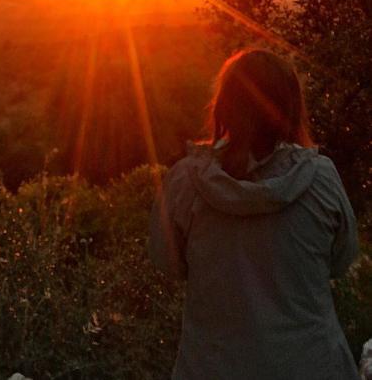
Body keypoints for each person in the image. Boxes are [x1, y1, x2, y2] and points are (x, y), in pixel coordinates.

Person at [149, 48, 359, 380]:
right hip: (313, 364)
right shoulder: (321, 179)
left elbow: (168, 263)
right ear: (290, 108)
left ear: (224, 106)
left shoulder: (186, 184)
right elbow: (342, 259)